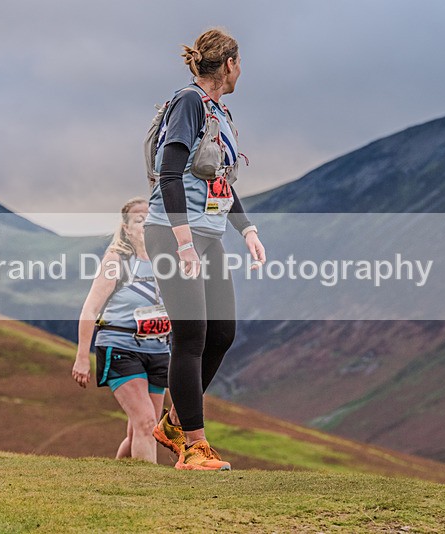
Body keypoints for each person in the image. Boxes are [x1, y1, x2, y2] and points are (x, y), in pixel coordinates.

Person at [144, 28, 266, 471]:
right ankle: (194, 447)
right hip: (174, 234)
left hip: (209, 234)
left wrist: (247, 230)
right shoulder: (189, 102)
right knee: (192, 335)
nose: (241, 70)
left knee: (222, 333)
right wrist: (182, 243)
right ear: (229, 64)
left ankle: (175, 421)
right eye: (240, 62)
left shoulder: (218, 111)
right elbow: (170, 174)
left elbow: (221, 182)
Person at [72, 197, 171, 463]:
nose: (146, 224)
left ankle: (118, 476)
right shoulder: (117, 261)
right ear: (126, 228)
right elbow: (90, 309)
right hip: (121, 347)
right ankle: (148, 491)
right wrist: (82, 356)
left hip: (159, 349)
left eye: (151, 220)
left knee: (140, 429)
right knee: (147, 422)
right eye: (139, 220)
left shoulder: (166, 262)